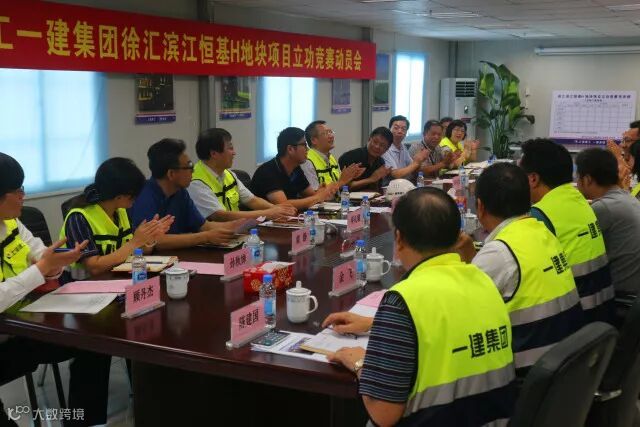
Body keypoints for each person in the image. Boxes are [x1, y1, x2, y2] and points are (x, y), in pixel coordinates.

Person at [324, 188, 516, 426]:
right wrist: (376, 324)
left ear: (399, 239)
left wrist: (360, 363)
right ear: (459, 236)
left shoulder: (403, 300)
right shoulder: (483, 280)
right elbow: (444, 326)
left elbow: (384, 413)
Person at [0, 153, 110, 426]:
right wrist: (40, 270)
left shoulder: (12, 221)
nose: (23, 196)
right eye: (17, 190)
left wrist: (55, 265)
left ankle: (84, 422)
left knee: (95, 340)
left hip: (25, 327)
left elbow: (40, 253)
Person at [459, 163, 584, 376]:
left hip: (526, 376)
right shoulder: (542, 231)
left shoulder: (499, 253)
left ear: (480, 206)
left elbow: (459, 311)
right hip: (566, 367)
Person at [520, 138, 614, 324]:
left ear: (533, 179)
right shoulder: (579, 200)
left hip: (575, 317)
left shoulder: (541, 216)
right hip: (602, 312)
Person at [61, 157, 173, 279]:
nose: (136, 199)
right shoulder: (79, 218)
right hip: (83, 284)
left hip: (115, 279)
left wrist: (149, 238)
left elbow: (136, 252)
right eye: (133, 195)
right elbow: (94, 268)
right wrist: (134, 242)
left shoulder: (121, 211)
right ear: (119, 197)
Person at [130, 138, 237, 250]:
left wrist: (236, 225)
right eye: (189, 167)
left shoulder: (180, 192)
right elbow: (153, 241)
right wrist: (205, 237)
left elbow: (203, 226)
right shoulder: (144, 197)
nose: (193, 171)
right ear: (171, 174)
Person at [187, 128, 296, 221]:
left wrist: (277, 209)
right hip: (215, 235)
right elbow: (219, 215)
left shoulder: (228, 174)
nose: (234, 153)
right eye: (230, 148)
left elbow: (252, 200)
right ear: (214, 154)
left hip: (236, 230)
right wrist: (268, 213)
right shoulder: (195, 182)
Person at [576, 148, 640, 304]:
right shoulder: (627, 198)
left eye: (578, 177)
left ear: (587, 179)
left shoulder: (603, 208)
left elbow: (577, 250)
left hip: (619, 298)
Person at [249, 127, 335, 210]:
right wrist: (317, 197)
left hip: (289, 217)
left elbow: (311, 195)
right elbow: (283, 205)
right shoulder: (267, 172)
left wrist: (321, 192)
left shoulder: (295, 168)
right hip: (262, 219)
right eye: (304, 145)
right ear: (290, 149)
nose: (308, 149)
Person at [300, 120, 364, 191]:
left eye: (330, 132)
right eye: (326, 133)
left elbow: (340, 187)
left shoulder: (331, 158)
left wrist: (349, 177)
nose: (331, 136)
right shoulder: (307, 161)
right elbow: (315, 194)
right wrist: (341, 181)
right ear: (314, 140)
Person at [382, 115, 428, 181]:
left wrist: (420, 159)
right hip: (390, 185)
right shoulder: (384, 148)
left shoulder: (403, 147)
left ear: (406, 132)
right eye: (396, 128)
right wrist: (416, 162)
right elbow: (395, 174)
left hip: (405, 183)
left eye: (403, 129)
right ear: (389, 129)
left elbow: (413, 168)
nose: (400, 131)